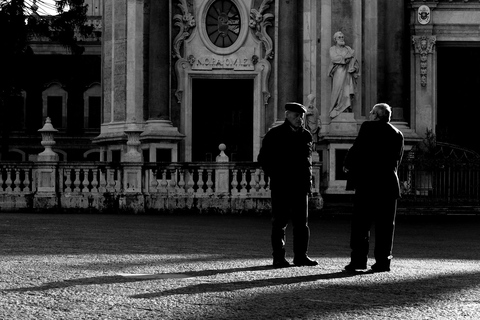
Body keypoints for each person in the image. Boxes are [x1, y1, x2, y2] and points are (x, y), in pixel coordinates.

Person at [343, 103, 404, 272]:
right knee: (386, 226)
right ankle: (383, 262)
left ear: (376, 116)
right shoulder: (398, 133)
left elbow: (358, 148)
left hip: (368, 184)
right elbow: (398, 160)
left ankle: (358, 261)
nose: (369, 114)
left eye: (371, 112)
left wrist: (347, 164)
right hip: (389, 185)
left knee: (361, 225)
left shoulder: (368, 127)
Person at [258, 102, 318, 268]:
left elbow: (308, 163)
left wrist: (309, 184)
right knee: (279, 223)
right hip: (281, 185)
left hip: (300, 186)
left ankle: (301, 256)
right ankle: (278, 257)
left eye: (302, 116)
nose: (300, 119)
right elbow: (263, 159)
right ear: (287, 115)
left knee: (302, 224)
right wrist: (276, 175)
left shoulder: (306, 135)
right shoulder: (274, 134)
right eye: (296, 116)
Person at [329, 31, 359, 119]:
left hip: (347, 73)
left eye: (342, 37)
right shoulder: (332, 49)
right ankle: (337, 107)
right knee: (337, 91)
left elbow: (354, 60)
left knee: (346, 91)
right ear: (335, 39)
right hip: (338, 72)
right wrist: (345, 58)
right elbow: (334, 58)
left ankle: (346, 108)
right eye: (339, 37)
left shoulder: (348, 49)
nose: (341, 38)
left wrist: (354, 67)